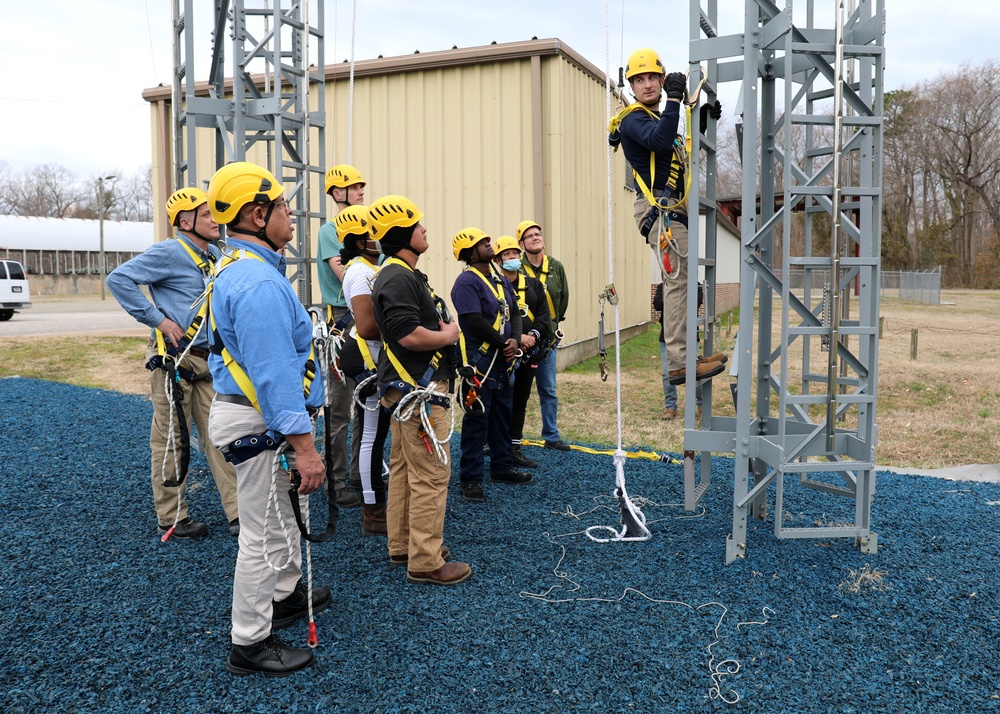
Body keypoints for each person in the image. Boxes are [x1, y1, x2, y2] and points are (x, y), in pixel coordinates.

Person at [205, 162, 331, 677]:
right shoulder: (257, 282)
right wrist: (306, 449)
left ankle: (281, 597)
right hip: (259, 421)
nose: (290, 214)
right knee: (258, 534)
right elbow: (276, 374)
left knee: (276, 518)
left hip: (255, 418)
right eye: (282, 207)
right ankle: (249, 643)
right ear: (258, 215)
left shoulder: (241, 268)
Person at [106, 187, 239, 540]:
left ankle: (239, 512)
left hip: (208, 362)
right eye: (208, 215)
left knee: (222, 437)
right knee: (171, 440)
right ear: (185, 220)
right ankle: (173, 518)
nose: (216, 220)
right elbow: (118, 279)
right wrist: (158, 320)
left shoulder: (214, 256)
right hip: (173, 363)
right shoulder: (169, 253)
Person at [369, 195, 471, 585]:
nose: (424, 229)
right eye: (417, 224)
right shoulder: (397, 277)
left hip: (408, 392)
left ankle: (403, 545)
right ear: (400, 234)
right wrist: (447, 334)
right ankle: (426, 561)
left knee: (403, 469)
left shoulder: (400, 275)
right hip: (419, 395)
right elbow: (408, 335)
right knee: (431, 474)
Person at [610, 48, 726, 389]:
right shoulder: (633, 118)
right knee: (678, 284)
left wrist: (701, 116)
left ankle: (687, 355)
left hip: (672, 209)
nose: (646, 85)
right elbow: (659, 143)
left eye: (652, 78)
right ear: (632, 87)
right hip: (658, 212)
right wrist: (675, 98)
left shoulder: (658, 118)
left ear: (660, 79)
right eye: (639, 80)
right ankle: (679, 362)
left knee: (686, 284)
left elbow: (674, 149)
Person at [451, 228, 532, 503]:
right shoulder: (466, 283)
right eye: (482, 243)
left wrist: (515, 341)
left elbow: (514, 311)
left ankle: (500, 466)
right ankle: (471, 478)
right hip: (481, 359)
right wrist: (503, 342)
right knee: (477, 417)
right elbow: (472, 320)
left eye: (487, 240)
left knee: (501, 414)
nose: (489, 244)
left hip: (503, 357)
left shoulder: (499, 278)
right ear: (470, 253)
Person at [335, 204, 390, 536]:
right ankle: (372, 511)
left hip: (374, 359)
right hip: (368, 361)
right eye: (371, 233)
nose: (377, 238)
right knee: (371, 436)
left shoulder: (370, 268)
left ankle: (376, 502)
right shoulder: (358, 272)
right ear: (358, 242)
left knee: (375, 434)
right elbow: (368, 326)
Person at [315, 164, 366, 508]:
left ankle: (362, 475)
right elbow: (345, 270)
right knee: (340, 407)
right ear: (337, 193)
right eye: (354, 186)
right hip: (342, 323)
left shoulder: (369, 224)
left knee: (369, 403)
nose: (362, 190)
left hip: (365, 321)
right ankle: (335, 480)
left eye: (362, 186)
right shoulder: (330, 231)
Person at [493, 235, 550, 469]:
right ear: (497, 260)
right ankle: (495, 443)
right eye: (506, 254)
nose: (512, 257)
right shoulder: (493, 286)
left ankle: (513, 447)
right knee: (498, 400)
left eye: (515, 253)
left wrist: (533, 336)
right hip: (502, 353)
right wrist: (516, 338)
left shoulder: (535, 285)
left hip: (529, 353)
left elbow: (545, 318)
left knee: (520, 400)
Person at [516, 219, 570, 451]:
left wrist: (553, 323)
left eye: (538, 234)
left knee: (548, 389)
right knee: (513, 390)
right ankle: (507, 436)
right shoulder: (515, 268)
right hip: (521, 341)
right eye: (530, 236)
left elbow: (564, 298)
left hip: (547, 341)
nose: (536, 237)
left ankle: (551, 434)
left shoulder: (555, 267)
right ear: (522, 243)